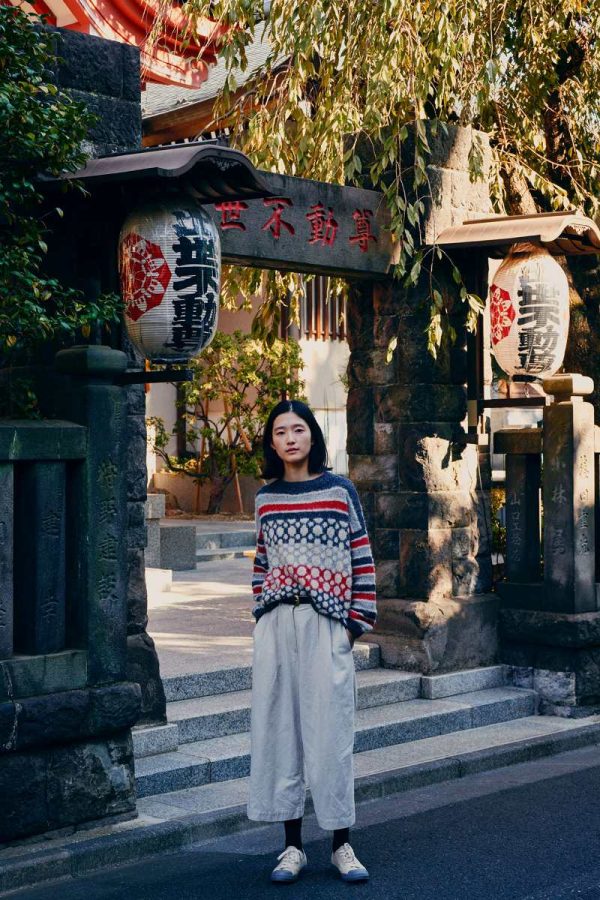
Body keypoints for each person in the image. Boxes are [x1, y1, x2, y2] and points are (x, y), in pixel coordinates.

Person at [247, 399, 377, 884]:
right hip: (278, 623)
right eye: (280, 431)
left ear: (313, 436)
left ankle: (342, 844)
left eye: (298, 429)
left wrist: (353, 625)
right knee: (281, 733)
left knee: (330, 734)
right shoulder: (266, 498)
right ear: (272, 442)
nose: (290, 438)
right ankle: (292, 848)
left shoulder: (340, 491)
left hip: (326, 624)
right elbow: (262, 563)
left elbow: (361, 557)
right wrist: (262, 612)